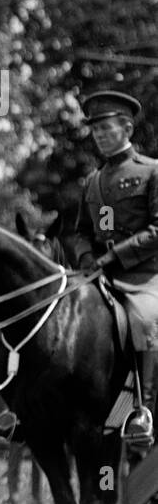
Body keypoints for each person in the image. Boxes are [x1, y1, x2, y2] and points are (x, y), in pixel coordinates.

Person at [62, 88, 158, 448]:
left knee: (144, 321)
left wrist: (114, 257)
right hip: (99, 275)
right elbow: (82, 232)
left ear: (127, 129)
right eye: (95, 130)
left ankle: (141, 410)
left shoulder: (151, 171)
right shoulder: (93, 181)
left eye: (106, 128)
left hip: (143, 276)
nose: (99, 136)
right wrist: (87, 258)